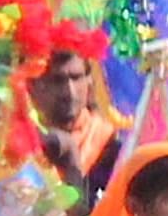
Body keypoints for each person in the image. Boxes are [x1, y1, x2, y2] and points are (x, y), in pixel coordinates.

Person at [29, 41, 123, 189]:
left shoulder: (113, 146)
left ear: (89, 82)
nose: (69, 92)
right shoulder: (22, 151)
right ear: (34, 86)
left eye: (76, 77)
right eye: (57, 80)